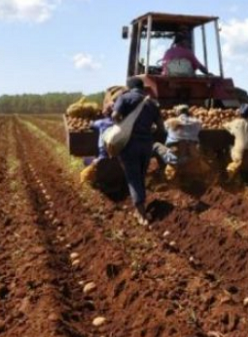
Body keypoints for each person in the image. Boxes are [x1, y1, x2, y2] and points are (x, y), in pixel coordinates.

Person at [113, 77, 165, 226]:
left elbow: (115, 116)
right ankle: (140, 206)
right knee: (141, 175)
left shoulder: (124, 98)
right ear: (143, 88)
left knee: (133, 177)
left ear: (129, 87)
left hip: (129, 144)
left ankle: (141, 213)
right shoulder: (152, 103)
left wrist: (122, 127)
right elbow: (161, 127)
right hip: (146, 144)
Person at [153, 104, 205, 181]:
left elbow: (160, 129)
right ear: (188, 112)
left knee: (156, 145)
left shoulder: (170, 122)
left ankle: (162, 168)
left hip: (175, 158)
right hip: (192, 156)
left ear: (177, 113)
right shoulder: (198, 122)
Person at [80, 104, 115, 184]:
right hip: (117, 154)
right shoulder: (120, 123)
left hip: (103, 155)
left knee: (87, 160)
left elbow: (91, 124)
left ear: (106, 113)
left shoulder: (102, 122)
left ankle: (92, 179)